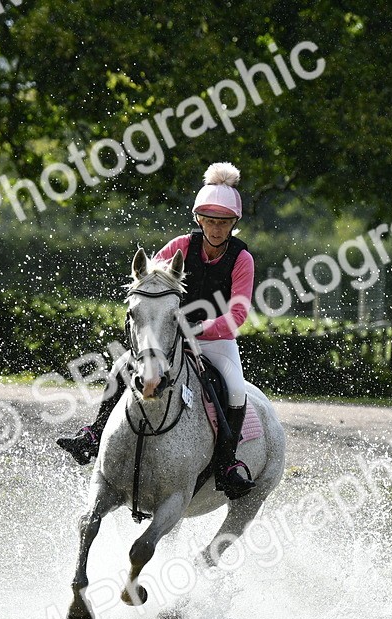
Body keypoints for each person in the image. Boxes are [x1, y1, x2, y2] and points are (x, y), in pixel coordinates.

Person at [56, 162, 257, 499]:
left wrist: (199, 328)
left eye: (223, 223)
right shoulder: (179, 246)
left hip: (216, 340)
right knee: (123, 368)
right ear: (199, 220)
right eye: (209, 221)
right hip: (168, 337)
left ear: (233, 223)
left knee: (235, 389)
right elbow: (146, 282)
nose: (216, 229)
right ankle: (94, 434)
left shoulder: (241, 259)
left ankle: (227, 463)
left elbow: (237, 314)